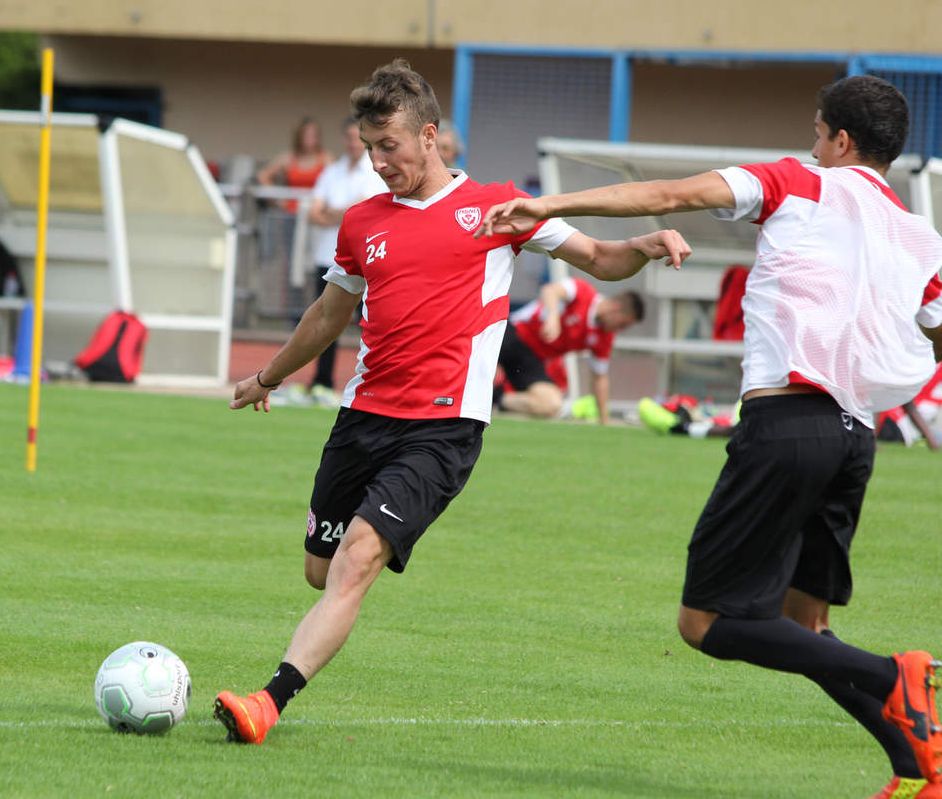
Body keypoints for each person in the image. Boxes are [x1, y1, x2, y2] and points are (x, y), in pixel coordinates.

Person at [478, 75, 942, 798]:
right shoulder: (920, 236)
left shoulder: (797, 181)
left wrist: (550, 203)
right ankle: (919, 767)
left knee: (704, 623)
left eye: (817, 132)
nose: (809, 145)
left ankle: (892, 674)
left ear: (841, 141)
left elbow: (669, 196)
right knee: (805, 626)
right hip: (856, 440)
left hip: (786, 424)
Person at [213, 58, 690, 745]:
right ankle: (333, 595)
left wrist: (643, 246)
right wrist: (268, 377)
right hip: (363, 417)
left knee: (357, 558)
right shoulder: (360, 224)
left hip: (442, 428)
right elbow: (327, 315)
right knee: (319, 570)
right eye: (370, 147)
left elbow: (601, 259)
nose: (378, 162)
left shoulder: (499, 207)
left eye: (390, 147)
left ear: (428, 136)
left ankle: (269, 701)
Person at [299, 117, 387, 405]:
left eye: (356, 137)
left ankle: (374, 384)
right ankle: (321, 381)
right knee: (326, 321)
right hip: (328, 256)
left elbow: (359, 211)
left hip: (363, 260)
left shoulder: (373, 172)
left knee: (372, 323)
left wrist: (333, 213)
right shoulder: (332, 172)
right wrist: (342, 213)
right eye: (348, 137)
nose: (352, 142)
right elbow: (313, 213)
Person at [497, 277, 643, 422]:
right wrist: (553, 317)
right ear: (615, 308)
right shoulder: (583, 292)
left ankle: (496, 398)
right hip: (512, 334)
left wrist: (604, 420)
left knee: (552, 404)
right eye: (623, 324)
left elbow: (600, 377)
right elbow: (549, 290)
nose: (621, 330)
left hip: (531, 360)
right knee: (480, 370)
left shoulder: (605, 337)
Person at [256, 117, 333, 213]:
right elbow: (263, 176)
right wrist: (277, 199)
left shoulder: (325, 158)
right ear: (299, 136)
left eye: (313, 135)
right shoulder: (289, 158)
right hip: (291, 213)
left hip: (316, 212)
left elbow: (336, 182)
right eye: (306, 135)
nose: (310, 139)